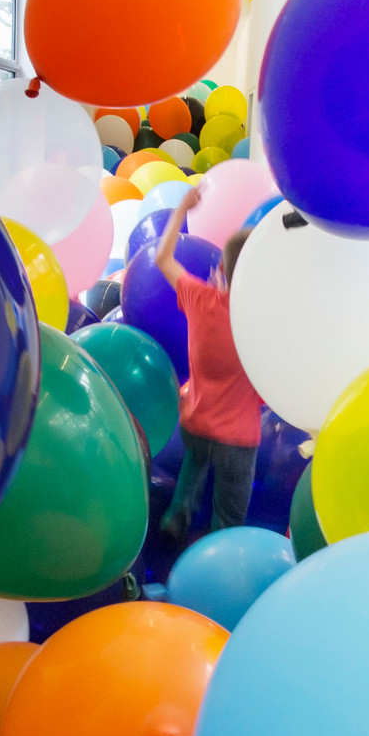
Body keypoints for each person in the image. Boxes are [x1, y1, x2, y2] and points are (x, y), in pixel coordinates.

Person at [155, 187, 261, 545]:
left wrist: (182, 208)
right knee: (229, 517)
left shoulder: (200, 298)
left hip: (196, 424)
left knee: (193, 466)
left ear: (222, 268)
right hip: (238, 439)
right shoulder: (263, 321)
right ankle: (220, 554)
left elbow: (163, 258)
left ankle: (176, 516)